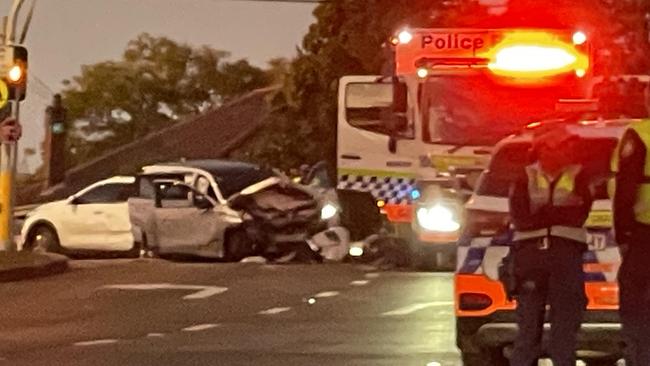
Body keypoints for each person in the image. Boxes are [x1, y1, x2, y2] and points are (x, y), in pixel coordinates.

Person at [508, 127, 594, 366]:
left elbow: (579, 214)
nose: (570, 150)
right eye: (564, 146)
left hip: (565, 258)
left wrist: (544, 213)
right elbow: (521, 217)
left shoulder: (579, 175)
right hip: (531, 258)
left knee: (565, 329)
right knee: (528, 329)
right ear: (545, 149)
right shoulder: (525, 177)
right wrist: (557, 213)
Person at [611, 84, 650, 366]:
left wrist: (623, 233)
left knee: (637, 308)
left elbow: (626, 187)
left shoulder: (640, 134)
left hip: (644, 233)